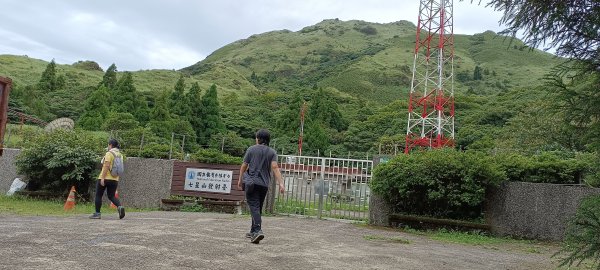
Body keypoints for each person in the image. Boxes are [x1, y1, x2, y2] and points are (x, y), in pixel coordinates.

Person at [237, 129, 285, 244]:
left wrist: (240, 179)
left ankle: (258, 230)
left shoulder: (251, 149)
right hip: (264, 184)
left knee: (254, 207)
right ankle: (253, 231)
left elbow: (244, 166)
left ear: (258, 138)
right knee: (257, 208)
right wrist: (281, 183)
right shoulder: (272, 152)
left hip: (252, 183)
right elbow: (275, 167)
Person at [90, 139, 125, 219]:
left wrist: (102, 178)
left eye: (108, 145)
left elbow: (106, 165)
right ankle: (120, 206)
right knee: (111, 196)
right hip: (115, 179)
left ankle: (97, 213)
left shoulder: (109, 154)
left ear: (110, 145)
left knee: (98, 195)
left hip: (105, 178)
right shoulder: (120, 155)